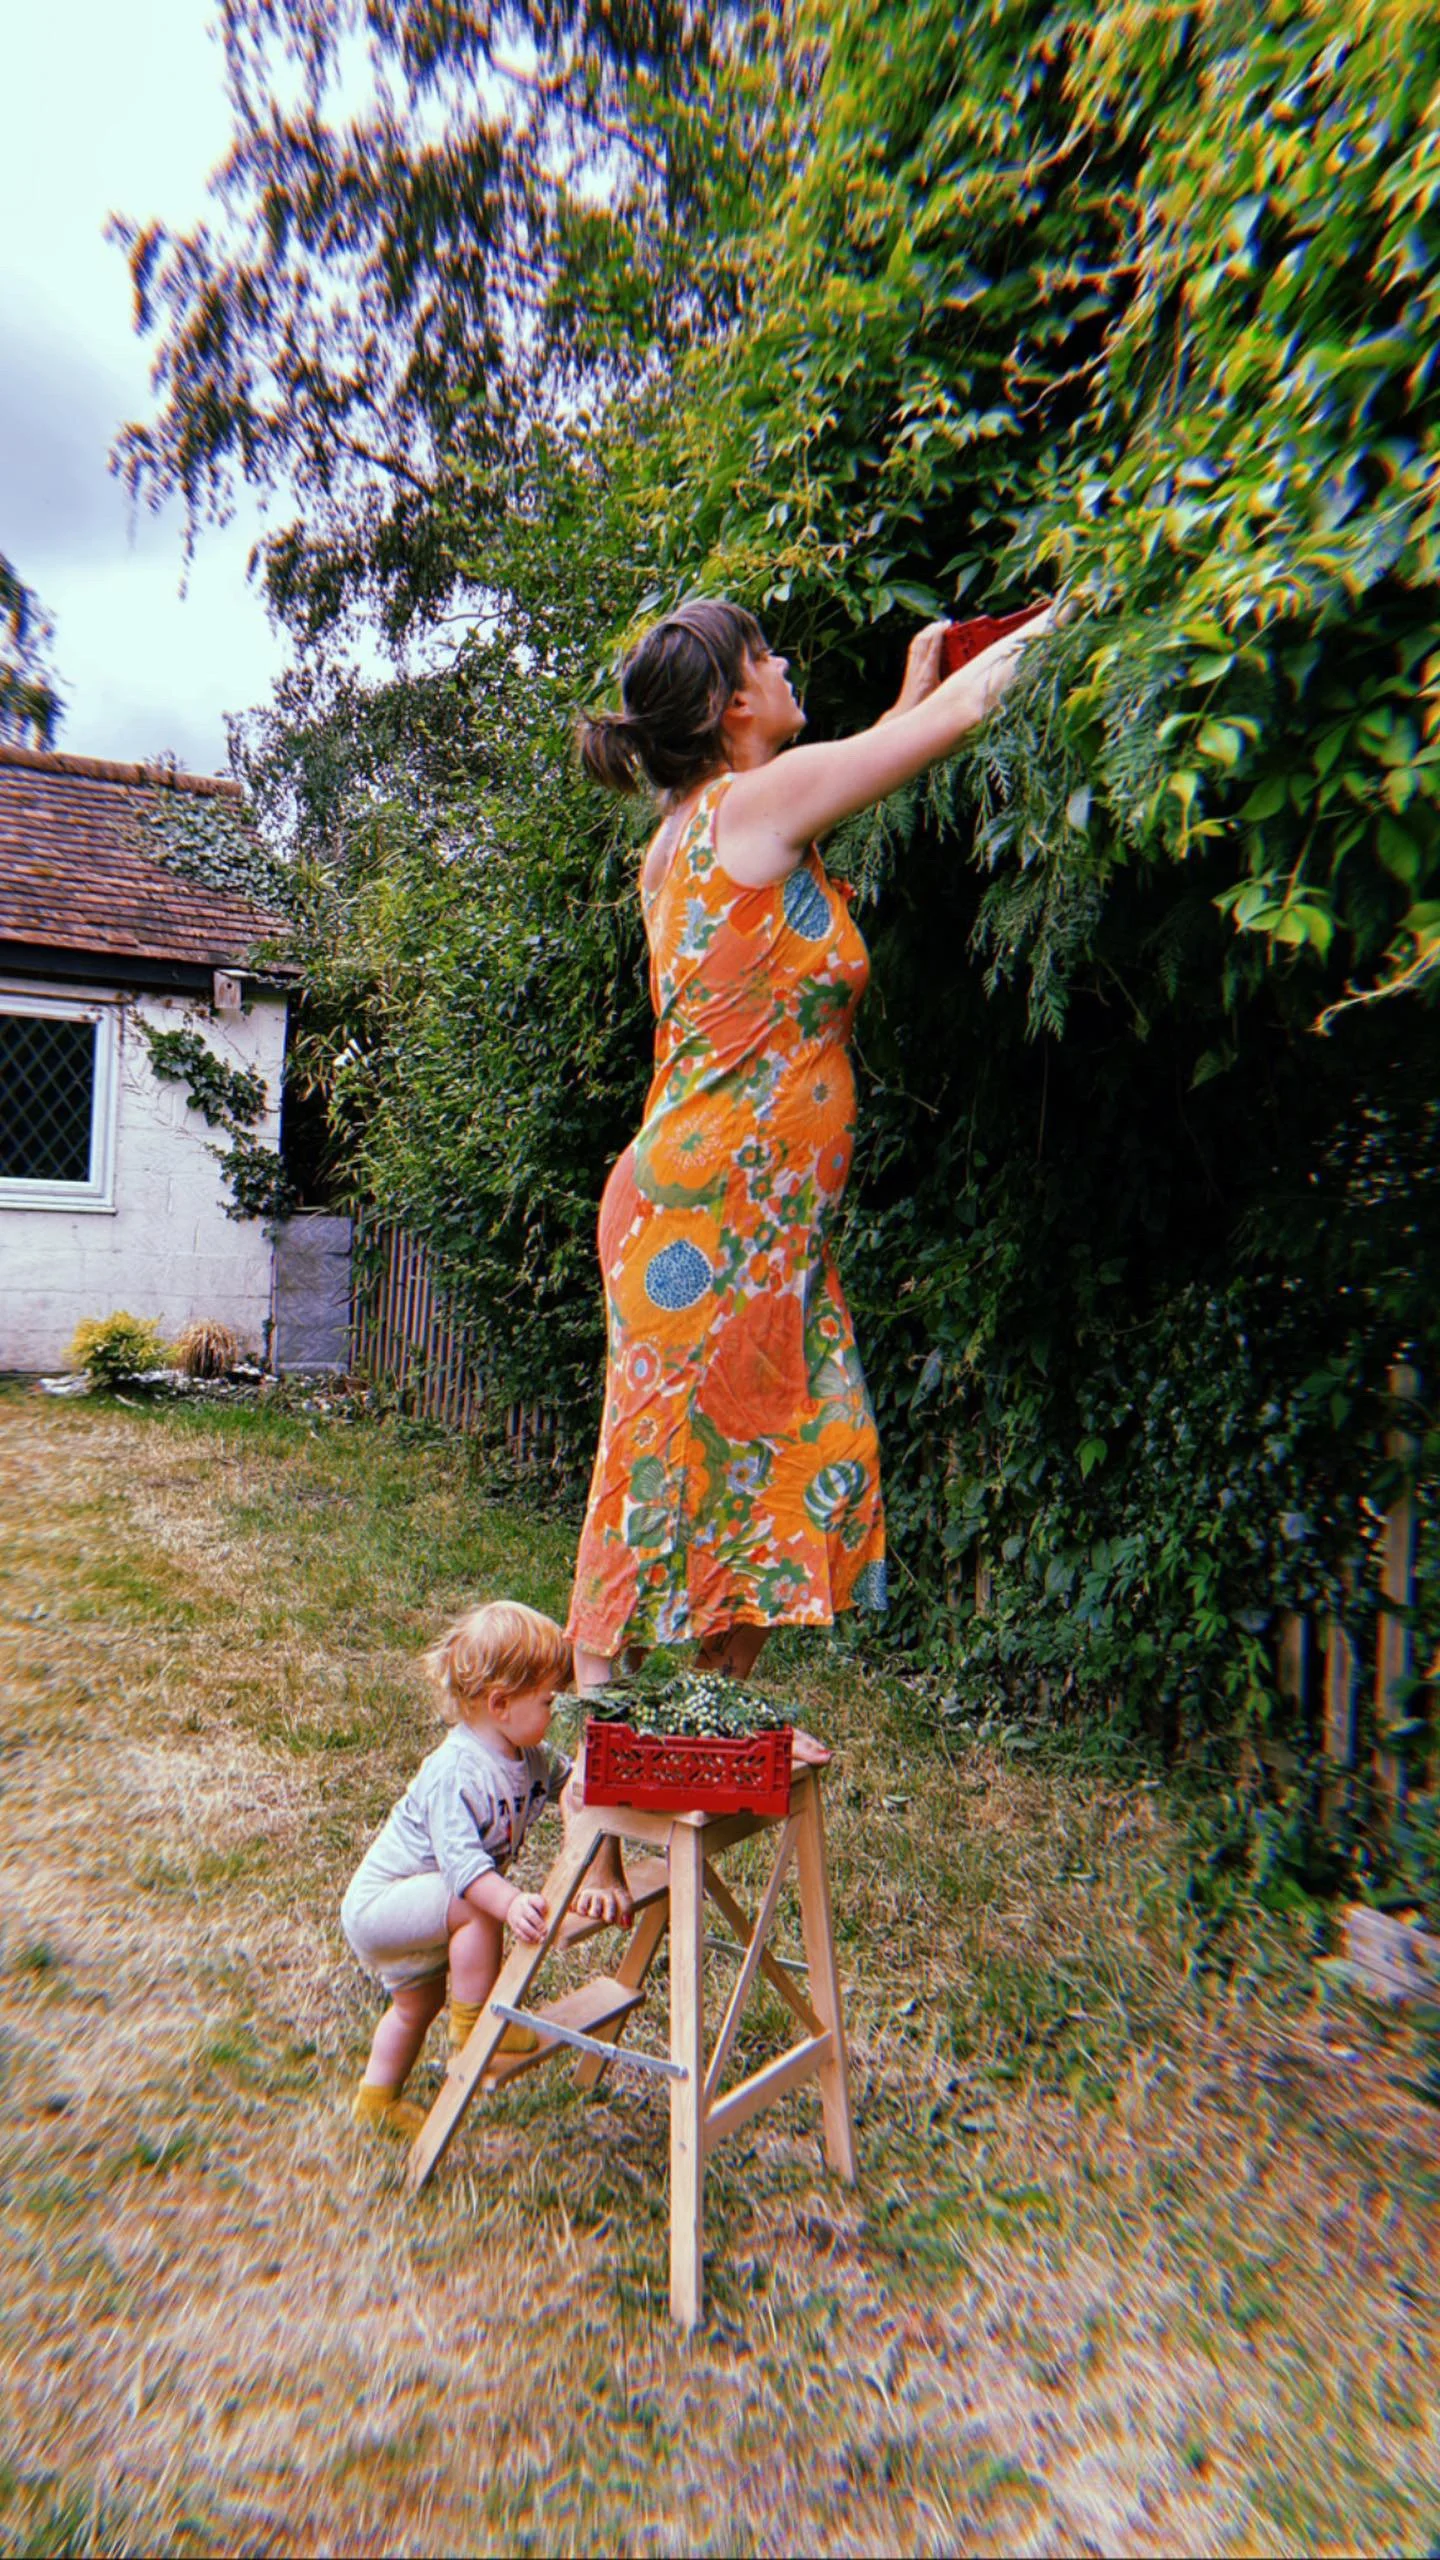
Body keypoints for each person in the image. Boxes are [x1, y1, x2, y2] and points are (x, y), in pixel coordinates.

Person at [567, 597, 1054, 1723]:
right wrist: (1087, 599)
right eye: (768, 656)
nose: (788, 668)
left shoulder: (708, 823)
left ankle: (687, 1737)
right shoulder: (753, 801)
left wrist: (908, 700)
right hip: (704, 1219)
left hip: (740, 1217)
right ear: (737, 701)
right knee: (657, 1458)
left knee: (791, 1442)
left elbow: (877, 764)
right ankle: (598, 1761)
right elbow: (979, 708)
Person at [340, 1598, 628, 2138]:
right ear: (500, 1703)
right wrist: (512, 1902)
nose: (559, 1712)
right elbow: (465, 1872)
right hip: (383, 1903)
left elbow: (574, 1784)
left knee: (414, 2007)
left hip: (423, 1908)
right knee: (480, 1907)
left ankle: (376, 2100)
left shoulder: (532, 1756)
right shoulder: (456, 1770)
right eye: (550, 1701)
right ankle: (478, 2025)